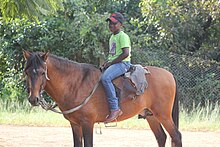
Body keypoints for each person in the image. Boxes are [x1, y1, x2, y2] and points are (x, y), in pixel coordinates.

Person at [101, 12, 132, 123]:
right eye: (110, 23)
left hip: (123, 63)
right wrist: (107, 62)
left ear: (121, 24)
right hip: (115, 63)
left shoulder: (123, 36)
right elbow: (113, 54)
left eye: (114, 23)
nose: (111, 26)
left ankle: (115, 108)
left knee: (105, 78)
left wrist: (111, 63)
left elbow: (125, 53)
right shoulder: (112, 37)